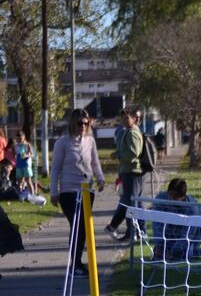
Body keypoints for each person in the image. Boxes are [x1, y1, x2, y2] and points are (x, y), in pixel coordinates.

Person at [51, 109, 106, 276]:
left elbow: (95, 162)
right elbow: (55, 169)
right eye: (80, 123)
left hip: (87, 191)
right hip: (69, 192)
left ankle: (80, 263)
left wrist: (100, 178)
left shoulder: (90, 141)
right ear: (72, 123)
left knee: (85, 228)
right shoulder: (62, 142)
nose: (83, 126)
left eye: (86, 123)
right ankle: (75, 264)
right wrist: (54, 191)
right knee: (77, 227)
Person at [104, 109, 143, 241]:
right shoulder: (126, 131)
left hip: (133, 172)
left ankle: (129, 231)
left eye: (127, 118)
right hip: (126, 171)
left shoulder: (133, 133)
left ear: (133, 118)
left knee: (129, 203)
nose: (125, 121)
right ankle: (135, 232)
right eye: (123, 118)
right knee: (132, 202)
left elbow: (133, 153)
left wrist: (119, 155)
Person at [14, 131, 36, 196]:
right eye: (17, 138)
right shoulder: (16, 145)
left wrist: (26, 155)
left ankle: (32, 195)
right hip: (19, 165)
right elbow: (16, 154)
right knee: (19, 181)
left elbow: (32, 154)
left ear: (24, 137)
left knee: (28, 180)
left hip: (26, 165)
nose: (19, 140)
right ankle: (20, 195)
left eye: (20, 138)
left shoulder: (27, 145)